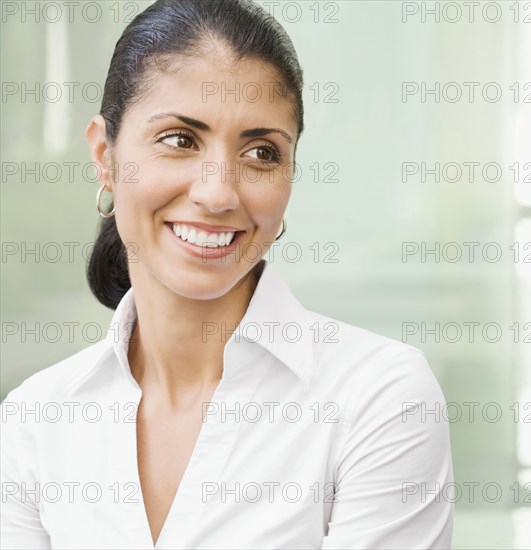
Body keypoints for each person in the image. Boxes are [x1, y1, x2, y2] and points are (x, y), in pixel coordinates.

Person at [0, 0, 454, 548]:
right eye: (179, 140)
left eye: (262, 152)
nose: (218, 193)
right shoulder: (35, 419)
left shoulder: (379, 398)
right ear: (104, 154)